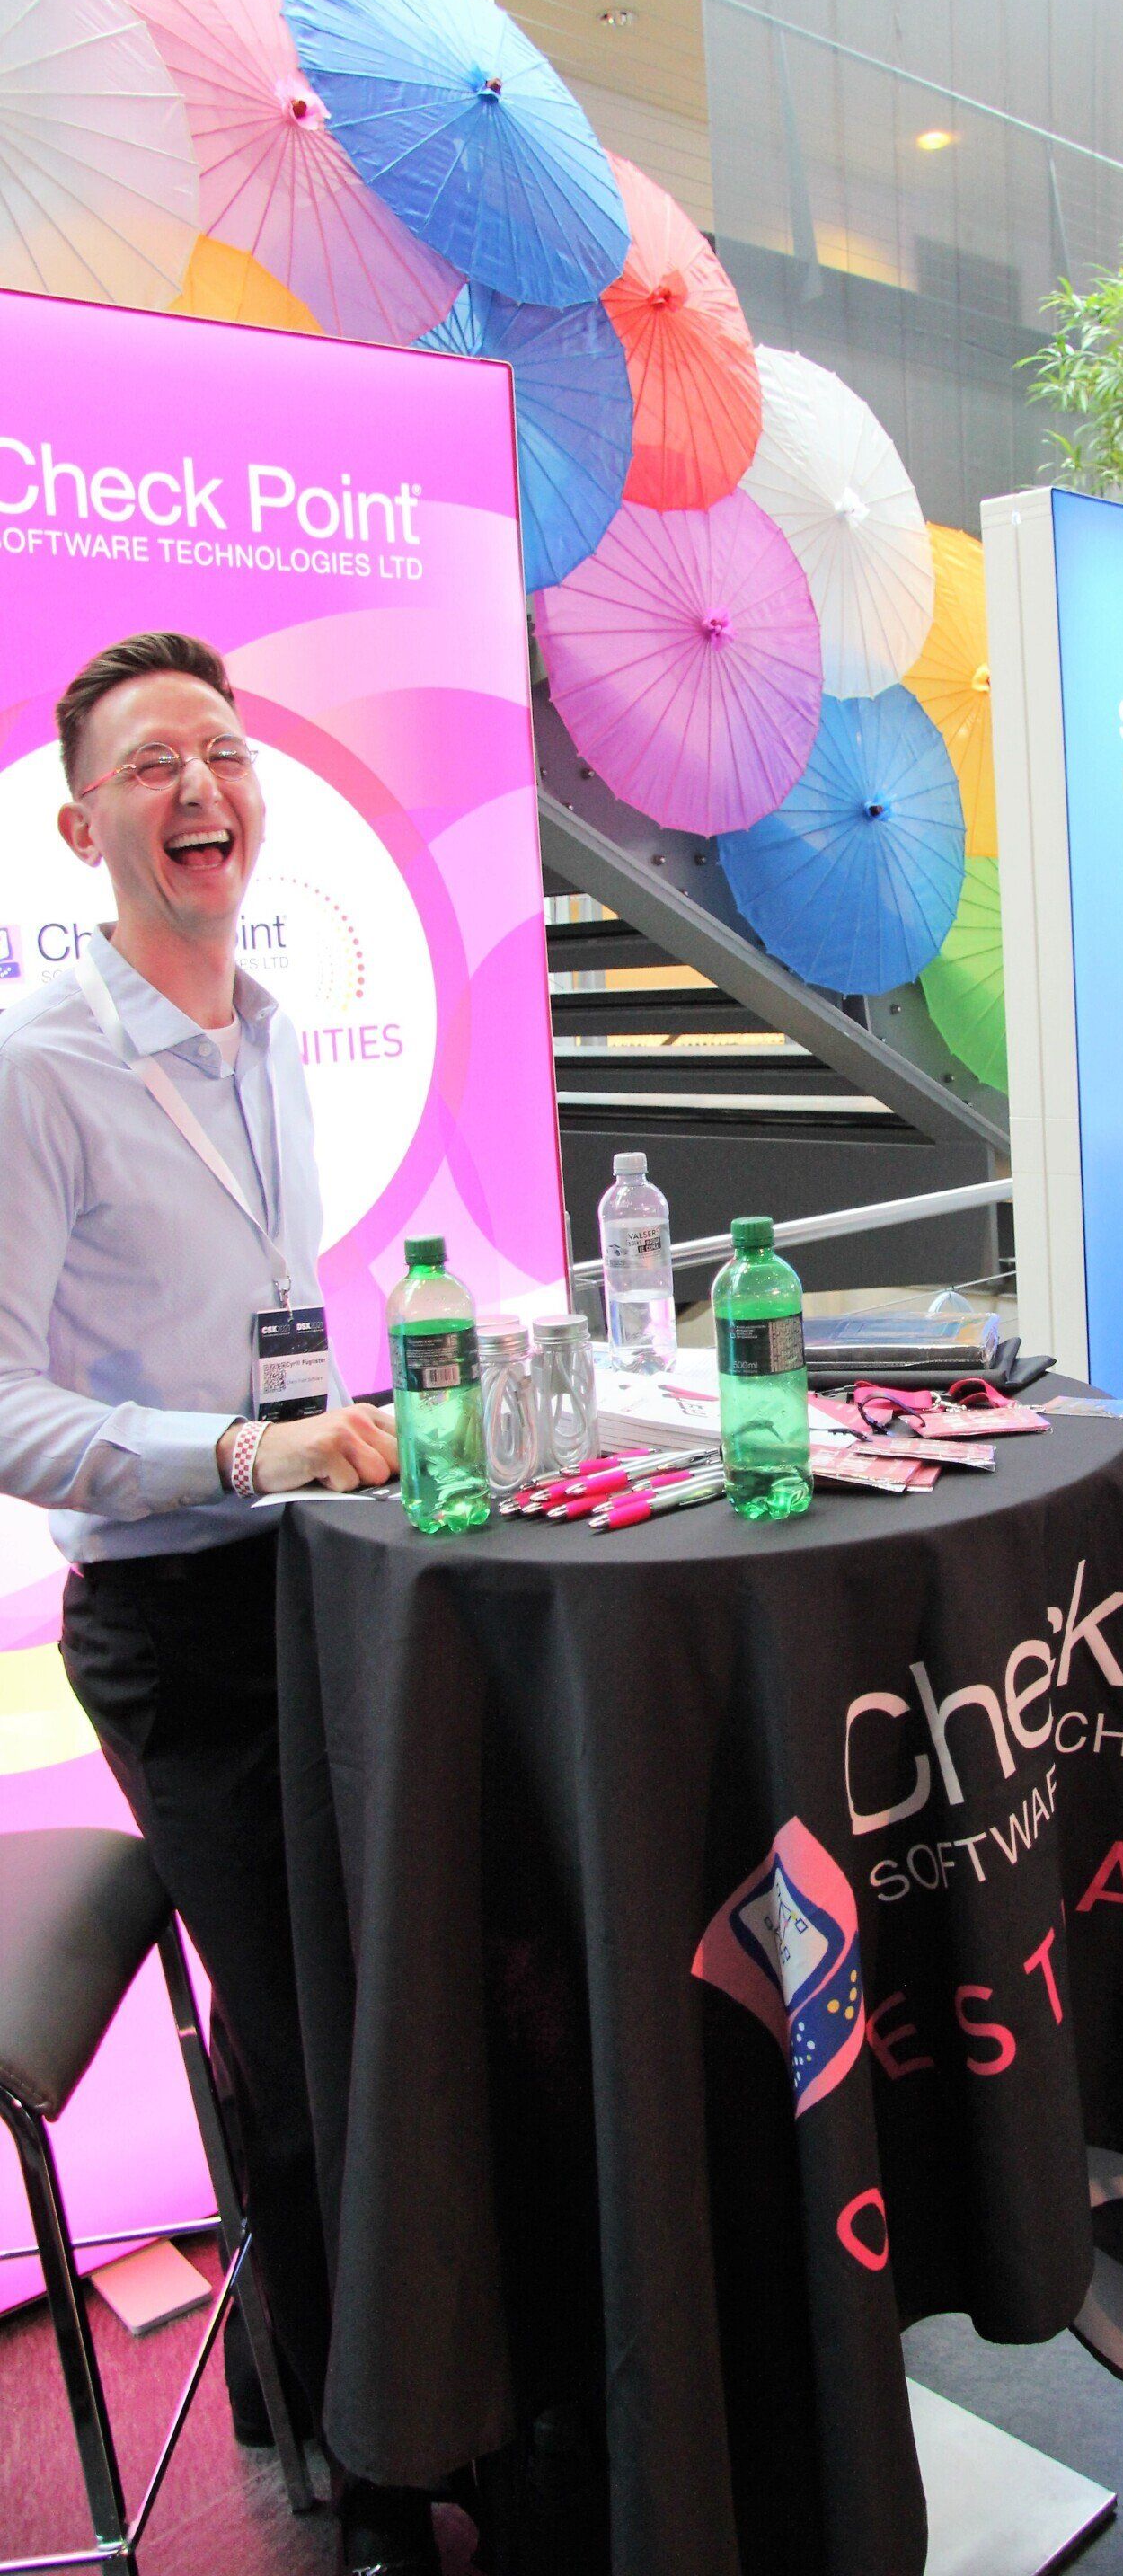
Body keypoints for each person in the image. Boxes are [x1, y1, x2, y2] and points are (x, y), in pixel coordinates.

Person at [0, 633, 436, 2576]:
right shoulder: (35, 1066)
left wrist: (331, 1446)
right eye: (153, 763)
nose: (202, 788)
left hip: (316, 1585)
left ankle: (344, 2382)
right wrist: (242, 1455)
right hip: (172, 1625)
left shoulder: (269, 1028)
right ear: (81, 824)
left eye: (227, 752)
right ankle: (364, 2464)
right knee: (302, 2038)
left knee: (371, 2010)